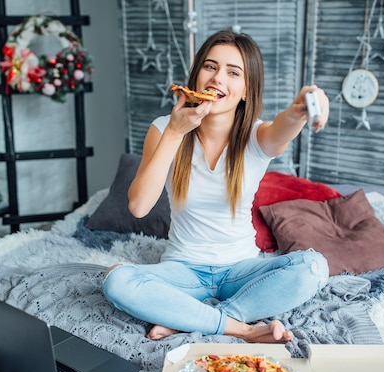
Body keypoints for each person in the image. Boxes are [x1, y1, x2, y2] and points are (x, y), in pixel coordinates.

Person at [102, 29, 330, 344]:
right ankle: (241, 328)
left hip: (241, 272)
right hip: (183, 272)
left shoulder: (256, 136)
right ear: (196, 76)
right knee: (117, 280)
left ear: (247, 90)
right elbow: (138, 206)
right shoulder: (162, 129)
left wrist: (303, 107)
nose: (217, 78)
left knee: (314, 266)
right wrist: (174, 131)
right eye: (210, 67)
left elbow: (284, 125)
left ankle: (190, 319)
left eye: (232, 72)